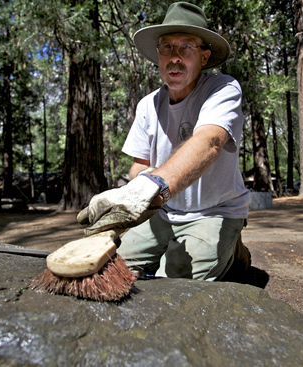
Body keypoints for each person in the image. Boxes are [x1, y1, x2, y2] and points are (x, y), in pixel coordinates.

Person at [77, 2, 251, 281]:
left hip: (214, 211)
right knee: (112, 268)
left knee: (175, 281)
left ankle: (235, 254)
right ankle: (201, 249)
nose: (175, 57)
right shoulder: (148, 105)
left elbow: (210, 141)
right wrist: (136, 190)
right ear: (158, 54)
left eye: (186, 48)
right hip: (164, 211)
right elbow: (139, 165)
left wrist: (154, 184)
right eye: (167, 48)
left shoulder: (222, 89)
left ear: (204, 57)